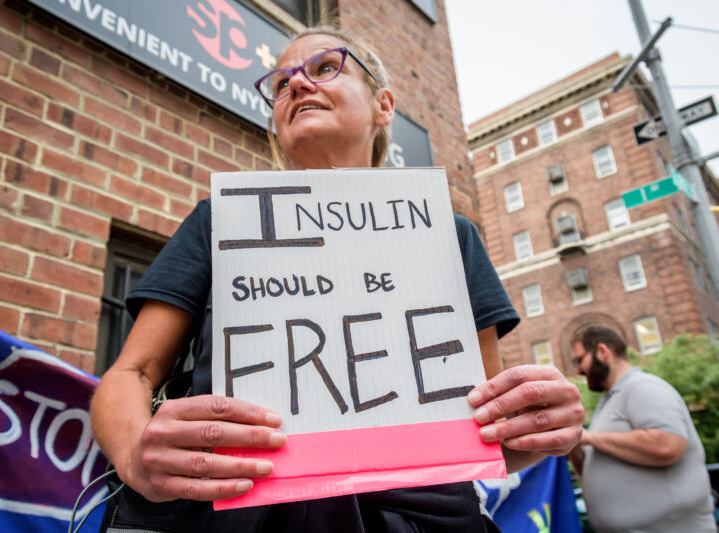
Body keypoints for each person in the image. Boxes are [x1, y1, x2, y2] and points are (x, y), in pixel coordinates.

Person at [91, 26, 583, 532]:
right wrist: (136, 455)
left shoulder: (450, 236)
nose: (298, 86)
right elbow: (130, 375)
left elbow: (482, 428)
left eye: (326, 67)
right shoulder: (219, 223)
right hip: (235, 516)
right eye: (281, 84)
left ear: (383, 105)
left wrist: (541, 428)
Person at [568, 324, 715, 532]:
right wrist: (572, 443)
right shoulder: (609, 401)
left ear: (602, 351)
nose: (578, 370)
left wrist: (589, 437)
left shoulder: (643, 387)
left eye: (580, 359)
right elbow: (591, 467)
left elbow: (668, 444)